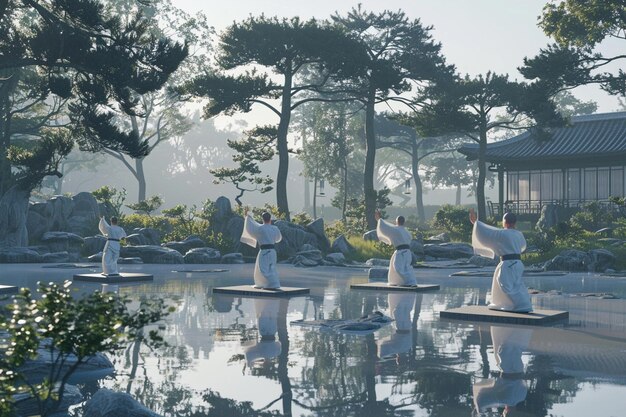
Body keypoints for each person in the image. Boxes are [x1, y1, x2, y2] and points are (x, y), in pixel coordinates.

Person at [469, 209, 532, 313]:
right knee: (515, 284)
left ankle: (523, 305)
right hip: (518, 263)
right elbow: (522, 247)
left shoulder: (502, 234)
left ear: (505, 222)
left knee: (506, 285)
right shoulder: (519, 234)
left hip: (509, 263)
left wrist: (475, 223)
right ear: (514, 223)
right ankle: (504, 304)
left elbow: (486, 233)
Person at [240, 210, 283, 289]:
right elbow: (278, 239)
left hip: (264, 251)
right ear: (270, 219)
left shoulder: (260, 229)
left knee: (263, 268)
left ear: (262, 219)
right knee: (271, 267)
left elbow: (251, 229)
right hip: (273, 251)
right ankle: (264, 284)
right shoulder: (275, 228)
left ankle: (271, 284)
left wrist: (248, 217)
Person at [375, 210, 417, 286]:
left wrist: (379, 219)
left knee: (398, 267)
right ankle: (397, 282)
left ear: (397, 222)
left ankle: (411, 282)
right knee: (404, 267)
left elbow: (384, 226)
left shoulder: (396, 230)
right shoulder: (406, 231)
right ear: (403, 222)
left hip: (401, 252)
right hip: (407, 252)